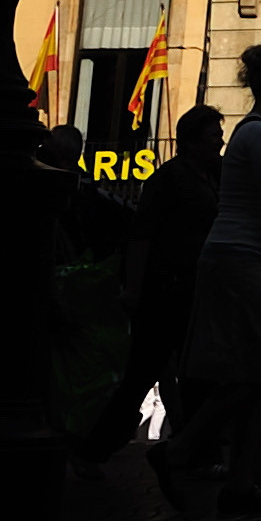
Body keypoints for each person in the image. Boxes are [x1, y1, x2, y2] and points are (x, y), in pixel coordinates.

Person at [174, 48, 261, 516]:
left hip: (242, 260)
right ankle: (189, 450)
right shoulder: (260, 134)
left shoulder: (258, 133)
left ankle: (242, 475)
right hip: (240, 261)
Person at [93, 103, 222, 465]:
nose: (220, 142)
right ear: (192, 140)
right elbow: (142, 236)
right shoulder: (169, 178)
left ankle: (193, 449)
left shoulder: (213, 175)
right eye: (214, 136)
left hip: (192, 288)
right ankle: (98, 447)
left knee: (192, 372)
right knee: (145, 372)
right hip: (165, 289)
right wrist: (134, 288)